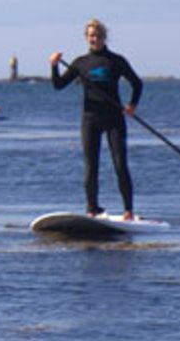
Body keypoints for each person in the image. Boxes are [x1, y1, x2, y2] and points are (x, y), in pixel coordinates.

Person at [49, 18, 143, 220]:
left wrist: (132, 106)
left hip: (114, 118)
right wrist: (54, 66)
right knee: (91, 166)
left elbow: (137, 83)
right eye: (91, 35)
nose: (95, 39)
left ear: (104, 37)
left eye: (98, 35)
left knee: (120, 164)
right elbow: (58, 85)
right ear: (86, 38)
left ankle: (128, 211)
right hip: (90, 119)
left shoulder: (116, 61)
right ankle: (92, 209)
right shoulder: (80, 63)